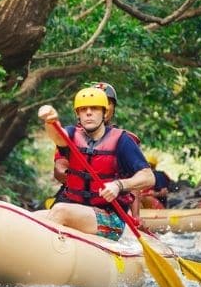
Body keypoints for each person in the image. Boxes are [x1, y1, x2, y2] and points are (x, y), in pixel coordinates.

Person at [35, 87, 153, 240]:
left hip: (110, 217)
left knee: (60, 211)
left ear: (105, 113)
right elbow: (58, 136)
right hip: (77, 208)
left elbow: (149, 177)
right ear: (78, 114)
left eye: (94, 108)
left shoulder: (122, 141)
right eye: (83, 109)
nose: (88, 112)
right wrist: (51, 121)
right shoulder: (71, 134)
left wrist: (119, 185)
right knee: (32, 217)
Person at [50, 81, 142, 218]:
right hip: (73, 199)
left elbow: (136, 181)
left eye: (108, 102)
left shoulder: (124, 139)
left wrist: (136, 216)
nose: (91, 111)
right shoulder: (71, 135)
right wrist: (81, 179)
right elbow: (59, 170)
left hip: (109, 205)